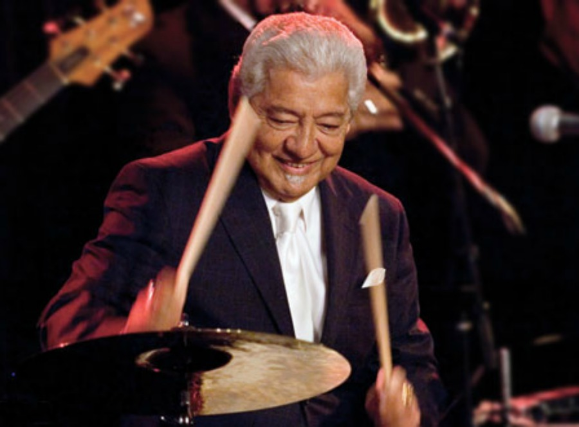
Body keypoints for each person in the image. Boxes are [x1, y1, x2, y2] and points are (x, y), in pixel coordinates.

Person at [38, 11, 444, 427]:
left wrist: (407, 411)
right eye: (282, 119)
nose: (303, 147)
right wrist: (133, 335)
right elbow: (65, 327)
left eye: (328, 124)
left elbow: (413, 362)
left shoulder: (376, 213)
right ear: (237, 102)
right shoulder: (167, 190)